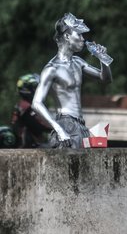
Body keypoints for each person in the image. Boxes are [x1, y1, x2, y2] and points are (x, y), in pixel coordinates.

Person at [32, 13, 113, 149]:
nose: (83, 39)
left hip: (80, 125)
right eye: (79, 35)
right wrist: (58, 129)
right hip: (65, 124)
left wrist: (103, 59)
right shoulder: (52, 68)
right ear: (67, 36)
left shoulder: (78, 62)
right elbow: (36, 103)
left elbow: (105, 79)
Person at [11, 73, 52, 148]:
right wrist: (58, 127)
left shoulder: (24, 105)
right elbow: (39, 125)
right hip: (27, 146)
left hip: (29, 144)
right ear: (28, 89)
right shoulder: (26, 107)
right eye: (36, 88)